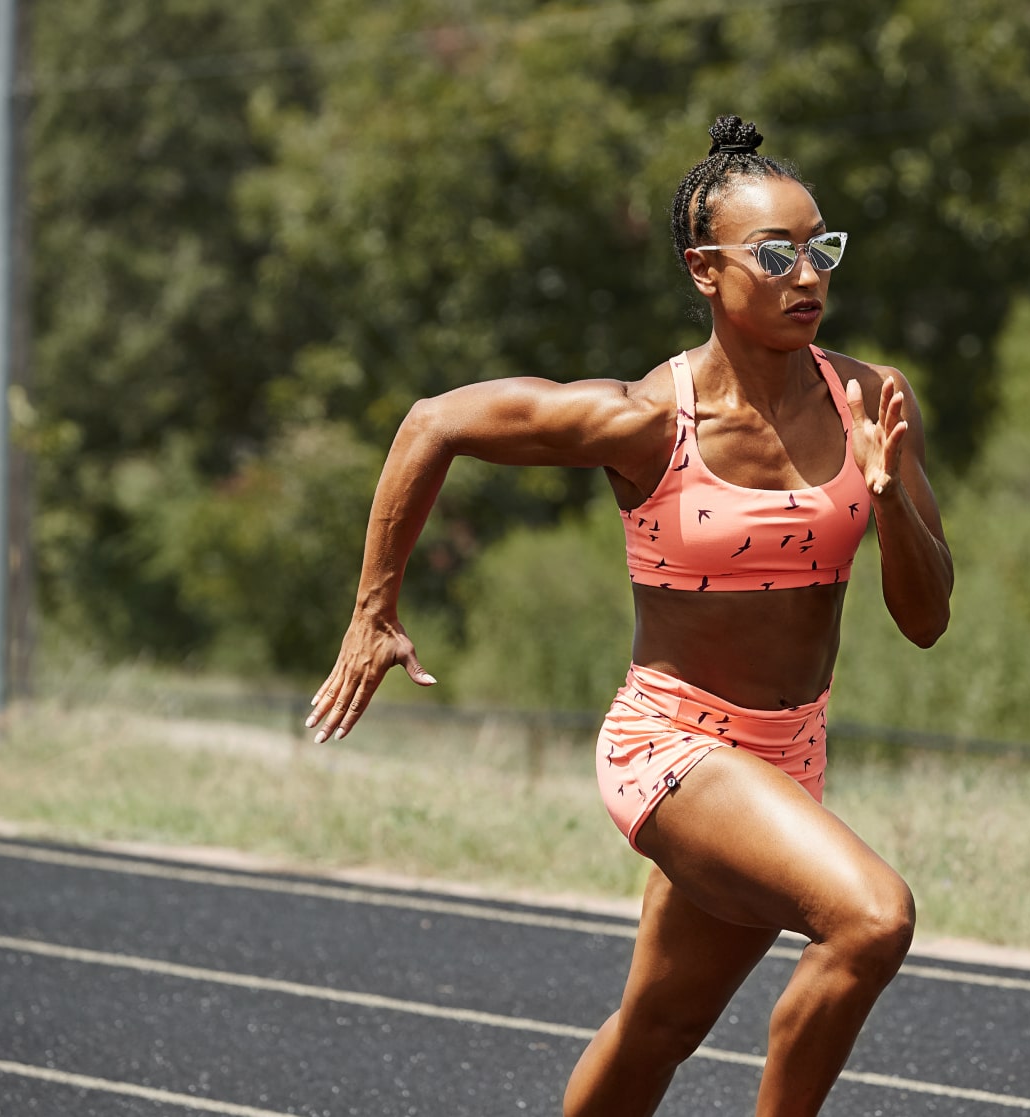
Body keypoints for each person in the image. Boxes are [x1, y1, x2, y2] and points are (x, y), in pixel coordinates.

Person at [306, 113, 954, 1117]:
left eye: (819, 247)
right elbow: (433, 422)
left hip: (788, 756)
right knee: (873, 919)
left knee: (656, 1028)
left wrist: (889, 499)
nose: (807, 274)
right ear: (705, 269)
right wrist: (372, 609)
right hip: (670, 743)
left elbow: (924, 620)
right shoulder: (646, 420)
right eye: (772, 254)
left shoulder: (871, 401)